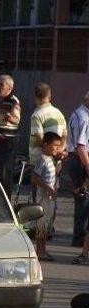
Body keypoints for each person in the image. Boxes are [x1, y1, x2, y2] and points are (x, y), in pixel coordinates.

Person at [32, 132, 63, 262]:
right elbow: (34, 178)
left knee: (46, 225)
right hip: (43, 199)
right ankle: (40, 252)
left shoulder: (51, 160)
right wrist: (47, 187)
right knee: (42, 225)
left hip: (49, 199)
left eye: (58, 145)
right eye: (55, 145)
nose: (57, 148)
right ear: (45, 145)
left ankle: (42, 250)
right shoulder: (43, 160)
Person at [66, 91, 89, 248]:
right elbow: (81, 147)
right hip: (80, 159)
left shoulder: (77, 113)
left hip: (74, 159)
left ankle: (78, 236)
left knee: (81, 199)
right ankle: (80, 237)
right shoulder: (85, 118)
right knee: (83, 199)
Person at [29, 83, 67, 165]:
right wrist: (58, 152)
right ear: (49, 97)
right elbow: (64, 135)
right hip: (56, 160)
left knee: (36, 178)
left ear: (36, 97)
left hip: (39, 161)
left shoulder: (36, 115)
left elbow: (39, 138)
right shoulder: (58, 112)